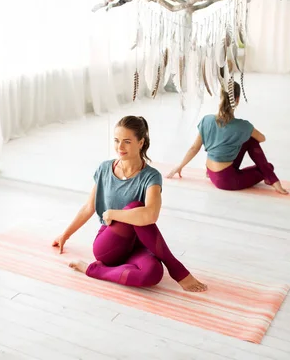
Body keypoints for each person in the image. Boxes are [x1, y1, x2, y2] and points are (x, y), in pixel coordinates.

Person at [52, 116, 207, 292]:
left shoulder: (151, 176)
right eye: (117, 141)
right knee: (136, 208)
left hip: (138, 245)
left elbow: (151, 215)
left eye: (127, 141)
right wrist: (65, 235)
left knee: (153, 274)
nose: (120, 147)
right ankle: (177, 269)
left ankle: (94, 270)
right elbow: (89, 207)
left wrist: (112, 213)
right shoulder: (104, 169)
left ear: (141, 142)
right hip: (109, 244)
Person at [167, 82, 288, 194]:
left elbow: (194, 148)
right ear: (237, 100)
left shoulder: (207, 120)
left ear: (221, 98)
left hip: (210, 171)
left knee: (246, 139)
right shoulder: (243, 126)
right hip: (226, 180)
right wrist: (244, 134)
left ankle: (270, 177)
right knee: (264, 161)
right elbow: (262, 138)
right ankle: (272, 179)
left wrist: (180, 166)